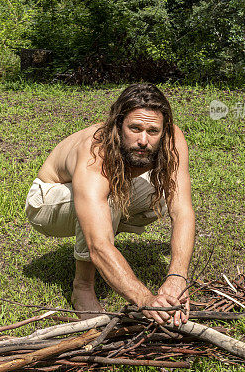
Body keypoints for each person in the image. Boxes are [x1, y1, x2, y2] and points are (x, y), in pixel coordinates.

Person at [24, 83, 195, 325]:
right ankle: (82, 287)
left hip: (103, 193)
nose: (143, 140)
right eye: (135, 128)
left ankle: (107, 221)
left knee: (166, 193)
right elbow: (98, 245)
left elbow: (182, 211)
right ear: (118, 124)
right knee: (111, 195)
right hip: (47, 203)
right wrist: (144, 298)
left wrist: (177, 277)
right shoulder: (96, 152)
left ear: (164, 130)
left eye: (153, 131)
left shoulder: (172, 139)